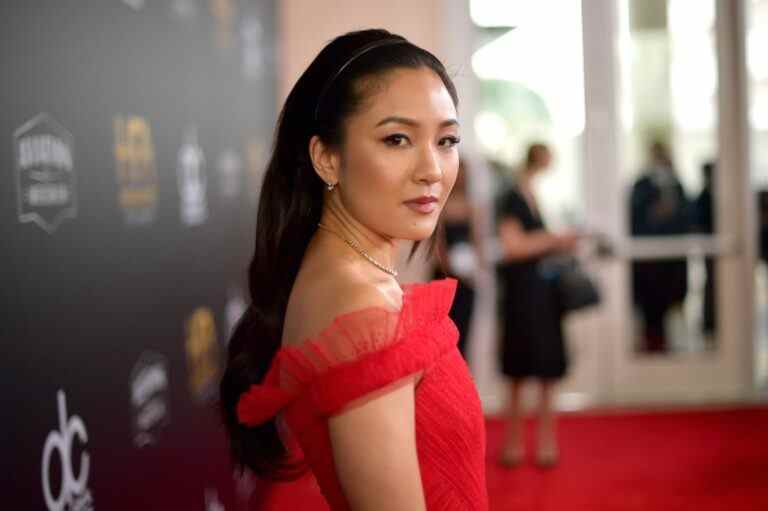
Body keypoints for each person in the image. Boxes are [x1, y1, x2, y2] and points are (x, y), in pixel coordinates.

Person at [219, 29, 488, 510]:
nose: (432, 168)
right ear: (327, 158)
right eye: (397, 139)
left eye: (447, 140)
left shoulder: (342, 277)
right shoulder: (360, 305)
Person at [495, 143, 577, 468]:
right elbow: (513, 247)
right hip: (521, 296)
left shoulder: (534, 194)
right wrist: (555, 239)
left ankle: (546, 441)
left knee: (548, 369)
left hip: (544, 296)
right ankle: (513, 442)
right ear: (538, 159)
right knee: (518, 370)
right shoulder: (512, 196)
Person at [629, 141, 691, 353]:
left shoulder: (677, 185)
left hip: (672, 261)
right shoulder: (641, 186)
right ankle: (652, 346)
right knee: (651, 310)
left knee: (671, 307)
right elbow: (634, 219)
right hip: (649, 262)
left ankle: (668, 347)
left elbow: (687, 218)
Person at [433, 157, 486, 359]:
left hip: (468, 277)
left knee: (464, 332)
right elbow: (439, 243)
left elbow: (477, 241)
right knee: (443, 332)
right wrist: (448, 268)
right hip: (444, 275)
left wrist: (475, 270)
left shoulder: (473, 207)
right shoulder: (440, 205)